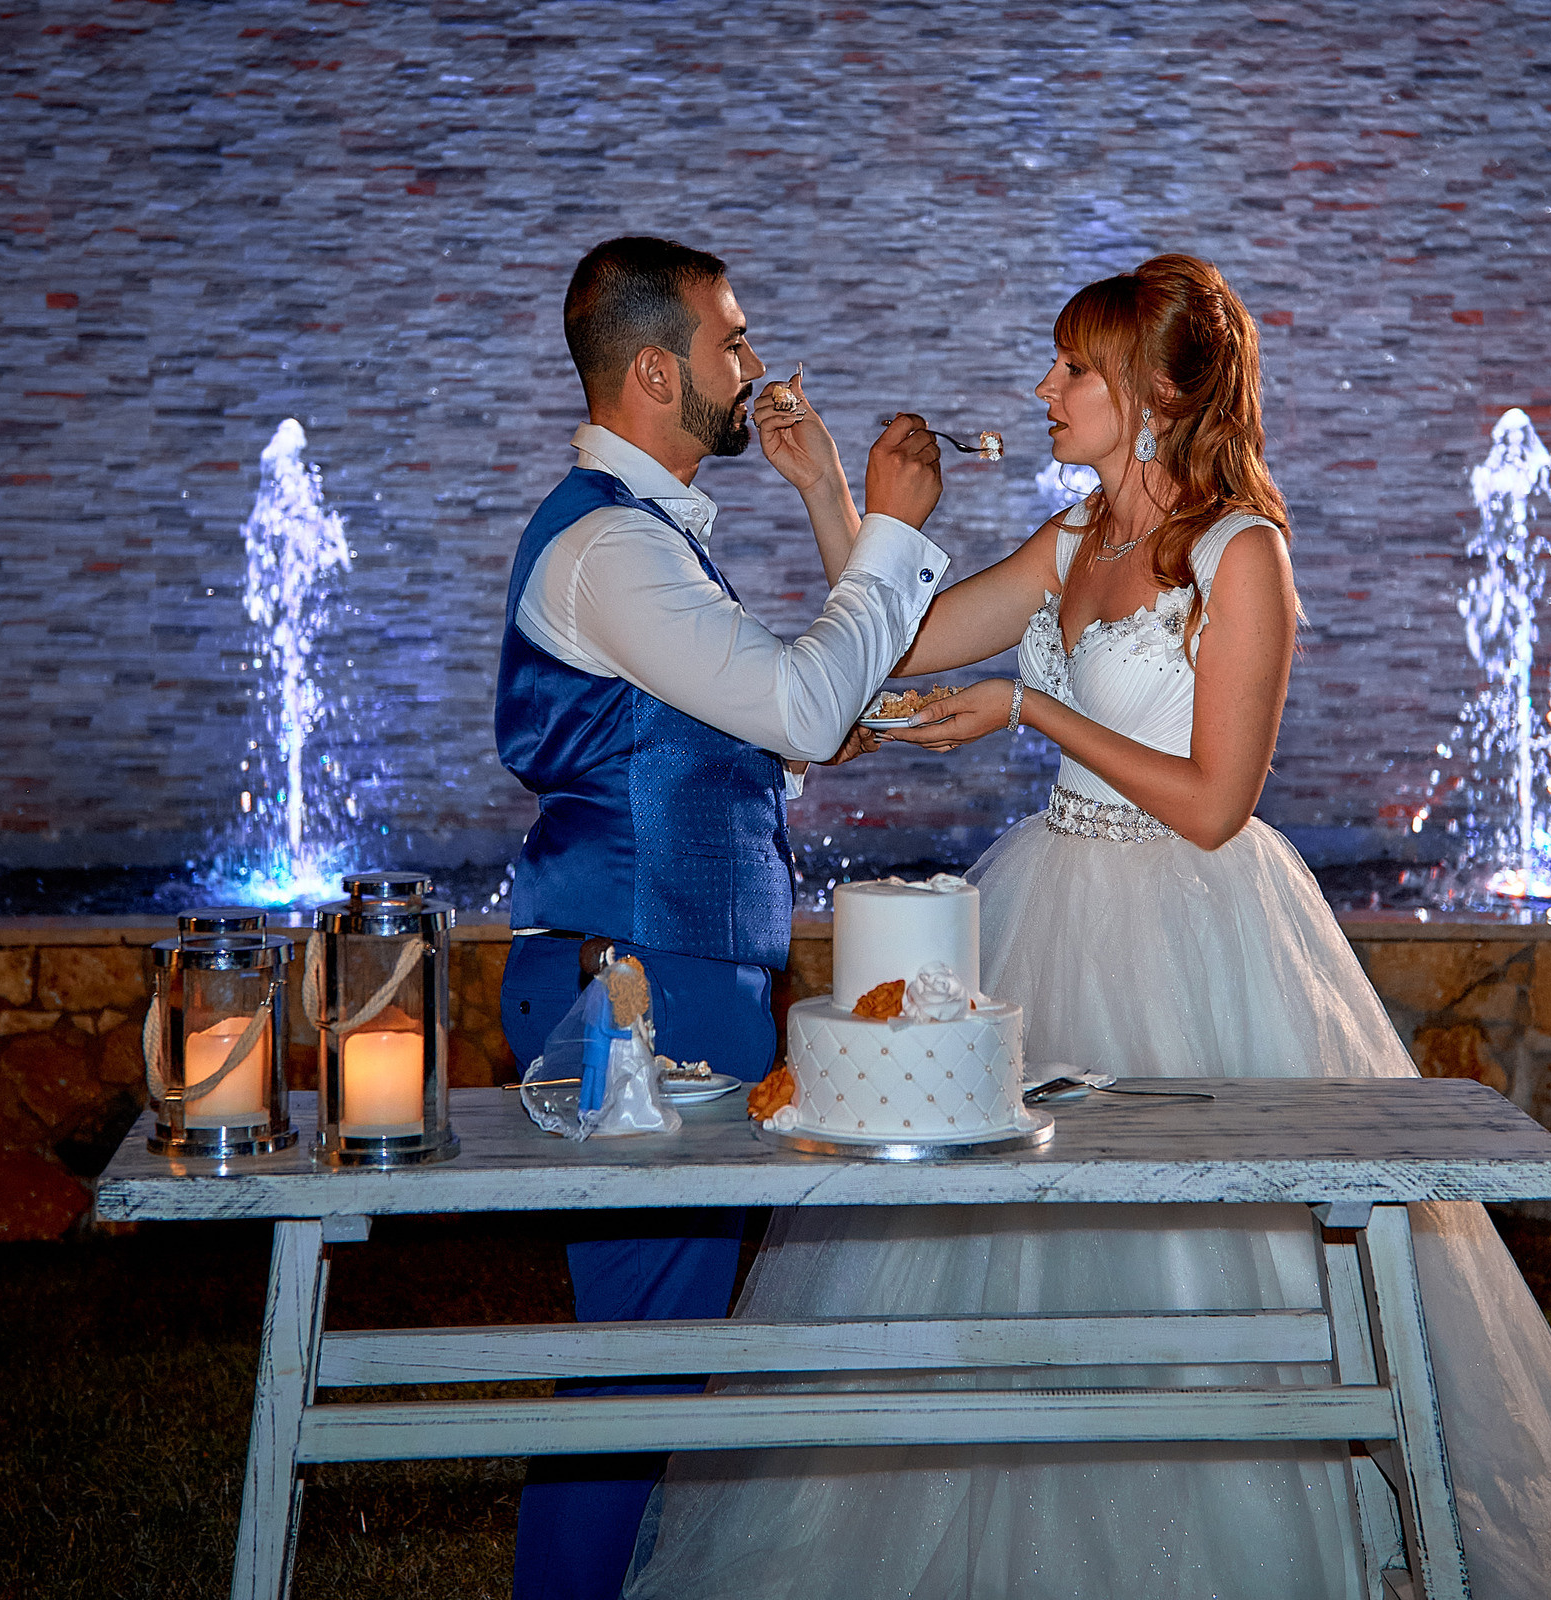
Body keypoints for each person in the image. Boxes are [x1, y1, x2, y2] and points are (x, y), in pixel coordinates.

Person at [626, 256, 1551, 1600]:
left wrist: (1032, 711)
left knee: (1209, 1253)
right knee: (991, 1258)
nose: (1042, 390)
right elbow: (899, 642)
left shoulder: (1243, 556)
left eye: (1074, 371)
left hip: (1196, 928)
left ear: (1160, 393)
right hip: (1042, 909)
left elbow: (1219, 807)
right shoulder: (1069, 540)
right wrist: (830, 490)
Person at [495, 234, 949, 1600]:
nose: (753, 366)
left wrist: (822, 501)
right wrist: (893, 530)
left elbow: (787, 721)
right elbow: (806, 702)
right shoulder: (611, 548)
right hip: (634, 992)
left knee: (659, 1371)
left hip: (670, 976)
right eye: (732, 341)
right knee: (636, 1384)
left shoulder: (649, 543)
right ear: (653, 370)